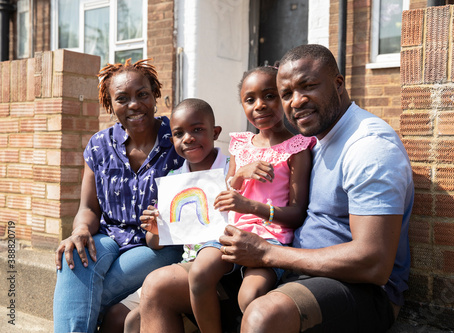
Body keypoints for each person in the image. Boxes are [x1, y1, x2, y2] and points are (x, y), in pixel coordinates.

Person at [141, 44, 414, 332]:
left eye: (308, 86)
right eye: (286, 94)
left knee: (262, 316)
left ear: (338, 84)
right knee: (158, 287)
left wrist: (267, 254)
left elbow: (374, 263)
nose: (296, 101)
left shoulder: (368, 146)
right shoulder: (316, 140)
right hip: (288, 264)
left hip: (355, 287)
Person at [139, 65, 314, 333]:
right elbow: (224, 194)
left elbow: (296, 212)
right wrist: (241, 175)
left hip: (268, 238)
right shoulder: (240, 146)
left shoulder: (297, 148)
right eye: (250, 99)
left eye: (270, 96)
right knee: (199, 273)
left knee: (249, 298)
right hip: (229, 232)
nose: (260, 106)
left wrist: (251, 206)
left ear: (284, 96)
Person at [52, 59, 184, 333]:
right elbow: (88, 207)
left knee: (88, 294)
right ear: (110, 105)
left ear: (155, 95)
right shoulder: (99, 145)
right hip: (109, 237)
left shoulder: (177, 138)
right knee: (73, 256)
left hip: (157, 243)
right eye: (122, 98)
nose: (134, 105)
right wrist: (80, 230)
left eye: (142, 94)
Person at [100, 97, 228, 333]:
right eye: (179, 134)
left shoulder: (231, 168)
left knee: (145, 305)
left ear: (215, 132)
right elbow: (156, 243)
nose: (188, 138)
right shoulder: (173, 179)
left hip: (223, 268)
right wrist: (155, 229)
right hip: (185, 263)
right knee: (122, 317)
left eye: (197, 130)